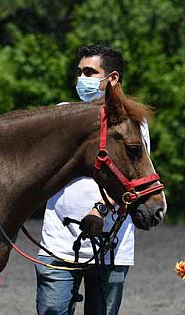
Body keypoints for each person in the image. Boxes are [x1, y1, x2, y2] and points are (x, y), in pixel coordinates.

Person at [35, 45, 150, 315]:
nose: (81, 79)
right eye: (79, 72)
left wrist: (100, 208)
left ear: (112, 78)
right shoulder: (61, 114)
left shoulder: (133, 121)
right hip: (58, 241)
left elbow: (133, 175)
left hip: (111, 243)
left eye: (89, 72)